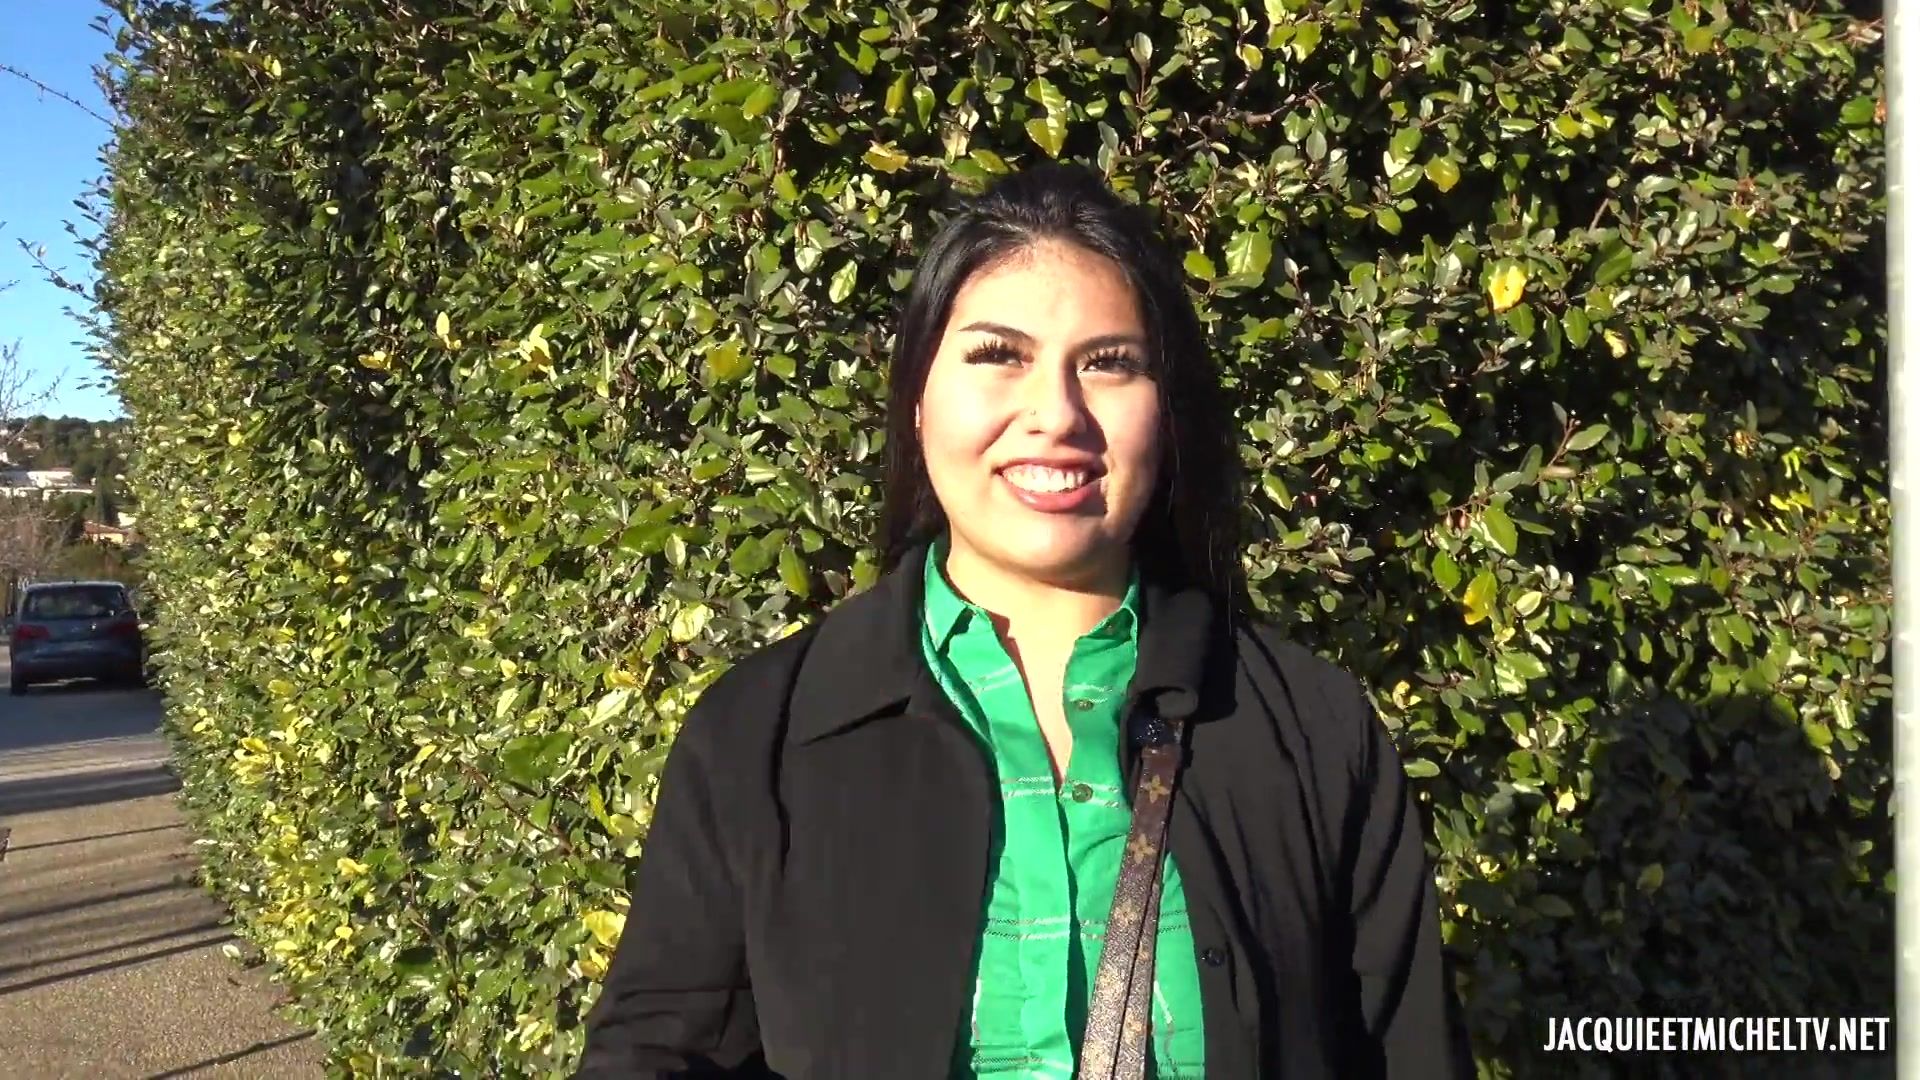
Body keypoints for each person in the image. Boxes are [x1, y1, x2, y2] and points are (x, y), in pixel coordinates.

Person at [575, 163, 1471, 1079]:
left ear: (1166, 414)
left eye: (1109, 362)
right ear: (917, 398)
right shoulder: (761, 735)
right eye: (998, 355)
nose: (1057, 414)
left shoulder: (1308, 732)